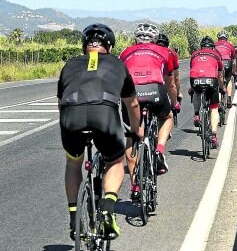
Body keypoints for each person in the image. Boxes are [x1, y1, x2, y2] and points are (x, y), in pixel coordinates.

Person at [58, 24, 143, 241]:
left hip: (71, 116)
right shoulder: (117, 64)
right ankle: (107, 210)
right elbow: (132, 104)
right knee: (115, 162)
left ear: (84, 46)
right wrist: (135, 130)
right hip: (104, 115)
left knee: (73, 162)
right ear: (110, 46)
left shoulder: (69, 64)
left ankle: (73, 216)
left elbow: (61, 102)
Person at [119, 22, 177, 199]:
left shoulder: (125, 52)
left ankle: (135, 185)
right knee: (167, 117)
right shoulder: (164, 51)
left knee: (132, 135)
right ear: (155, 38)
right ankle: (159, 150)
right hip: (155, 91)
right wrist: (174, 102)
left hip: (131, 93)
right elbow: (170, 83)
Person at [189, 36, 224, 148]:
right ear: (213, 47)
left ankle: (196, 115)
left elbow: (193, 69)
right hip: (211, 80)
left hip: (195, 80)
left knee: (196, 92)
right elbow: (220, 75)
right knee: (214, 108)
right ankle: (213, 136)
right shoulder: (216, 55)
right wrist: (222, 87)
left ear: (201, 46)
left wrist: (192, 87)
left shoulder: (194, 54)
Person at [156, 33, 183, 105]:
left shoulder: (149, 51)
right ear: (167, 44)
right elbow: (176, 77)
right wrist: (178, 93)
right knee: (170, 84)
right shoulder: (172, 53)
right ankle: (174, 105)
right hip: (166, 77)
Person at [214, 30, 237, 108]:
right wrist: (234, 72)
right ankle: (229, 99)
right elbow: (234, 61)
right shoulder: (230, 46)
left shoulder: (214, 45)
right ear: (226, 38)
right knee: (228, 80)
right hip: (228, 63)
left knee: (218, 80)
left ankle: (218, 101)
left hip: (218, 63)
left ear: (218, 38)